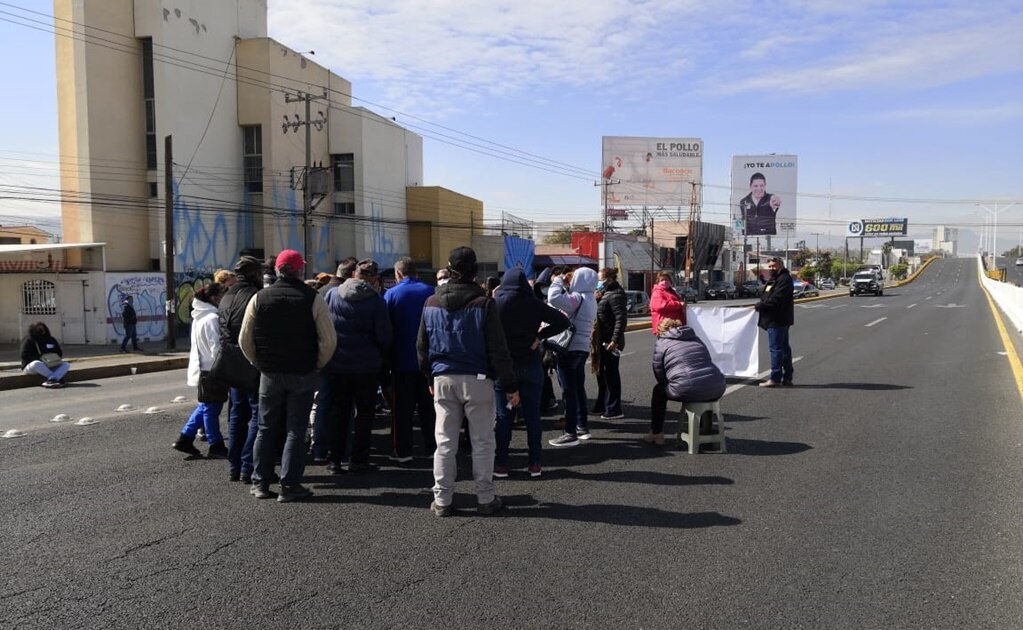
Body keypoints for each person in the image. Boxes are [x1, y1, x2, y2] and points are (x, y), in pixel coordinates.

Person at [417, 246, 518, 517]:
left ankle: (442, 501)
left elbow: (422, 347)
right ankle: (485, 498)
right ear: (475, 272)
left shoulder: (431, 303)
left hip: (443, 378)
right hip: (478, 379)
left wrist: (429, 376)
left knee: (445, 442)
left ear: (449, 271)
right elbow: (498, 349)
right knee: (483, 441)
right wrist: (510, 385)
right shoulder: (484, 303)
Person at [239, 249, 337, 502]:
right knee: (296, 429)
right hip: (302, 371)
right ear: (299, 270)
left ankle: (260, 483)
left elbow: (245, 339)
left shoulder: (260, 297)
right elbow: (328, 340)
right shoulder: (312, 298)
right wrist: (316, 364)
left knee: (265, 427)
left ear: (277, 270)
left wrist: (258, 363)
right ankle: (289, 485)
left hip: (269, 372)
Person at [493, 268, 570, 478]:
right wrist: (540, 335)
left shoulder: (497, 304)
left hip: (505, 368)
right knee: (532, 417)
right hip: (531, 366)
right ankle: (535, 463)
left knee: (504, 417)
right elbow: (564, 322)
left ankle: (501, 464)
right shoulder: (534, 304)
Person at [324, 259, 392, 474]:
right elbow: (385, 336)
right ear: (373, 278)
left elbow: (325, 326)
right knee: (364, 414)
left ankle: (334, 459)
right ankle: (358, 459)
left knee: (338, 413)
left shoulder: (332, 295)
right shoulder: (376, 301)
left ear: (354, 273)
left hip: (337, 364)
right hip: (367, 367)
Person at [385, 257, 437, 462]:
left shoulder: (391, 294)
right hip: (430, 361)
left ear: (398, 274)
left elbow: (385, 327)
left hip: (401, 360)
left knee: (402, 411)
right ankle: (433, 447)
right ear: (416, 272)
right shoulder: (431, 291)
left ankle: (403, 451)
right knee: (430, 408)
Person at [218, 255, 263, 483]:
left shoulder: (227, 296)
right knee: (257, 414)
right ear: (255, 274)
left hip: (229, 361)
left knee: (236, 415)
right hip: (250, 361)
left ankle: (234, 466)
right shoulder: (255, 296)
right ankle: (247, 465)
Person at [646, 318, 726, 445]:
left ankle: (656, 433)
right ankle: (706, 431)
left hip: (687, 387)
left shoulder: (662, 343)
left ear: (661, 331)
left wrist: (669, 383)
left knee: (658, 392)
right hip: (717, 384)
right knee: (704, 390)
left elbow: (659, 371)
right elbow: (707, 359)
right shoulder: (695, 338)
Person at [172, 283, 229, 458]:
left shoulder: (200, 317)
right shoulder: (212, 318)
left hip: (203, 368)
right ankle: (216, 444)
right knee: (212, 409)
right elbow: (216, 347)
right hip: (212, 369)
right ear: (214, 298)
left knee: (206, 406)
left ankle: (185, 438)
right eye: (222, 296)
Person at [311, 256, 358, 461]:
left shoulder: (319, 293)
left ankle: (319, 449)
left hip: (322, 358)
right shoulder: (352, 294)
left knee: (323, 403)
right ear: (351, 275)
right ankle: (343, 451)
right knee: (345, 407)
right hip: (347, 359)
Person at [546, 266, 598, 447]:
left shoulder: (577, 298)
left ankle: (570, 433)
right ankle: (582, 426)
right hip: (582, 348)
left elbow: (553, 298)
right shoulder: (591, 299)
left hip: (568, 348)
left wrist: (558, 280)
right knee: (578, 388)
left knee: (568, 391)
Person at [593, 267, 628, 420]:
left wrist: (614, 340)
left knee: (611, 374)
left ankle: (614, 408)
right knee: (601, 374)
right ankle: (602, 404)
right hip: (601, 339)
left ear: (610, 279)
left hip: (610, 341)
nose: (598, 282)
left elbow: (621, 319)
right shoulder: (605, 293)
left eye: (601, 280)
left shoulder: (616, 294)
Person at [754, 257, 794, 387]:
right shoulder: (774, 280)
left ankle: (775, 378)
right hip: (775, 319)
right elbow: (768, 294)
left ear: (780, 266)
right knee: (783, 348)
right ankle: (787, 377)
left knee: (776, 349)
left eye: (774, 266)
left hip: (778, 319)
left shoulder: (784, 279)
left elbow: (777, 298)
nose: (771, 269)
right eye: (770, 266)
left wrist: (761, 305)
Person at [20, 322, 71, 388]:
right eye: (38, 329)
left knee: (66, 365)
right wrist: (41, 359)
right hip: (33, 366)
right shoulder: (29, 340)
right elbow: (24, 355)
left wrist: (52, 358)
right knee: (36, 363)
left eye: (42, 328)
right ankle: (55, 379)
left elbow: (59, 353)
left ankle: (52, 379)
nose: (41, 330)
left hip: (50, 364)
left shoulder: (51, 339)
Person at [650, 271, 686, 335]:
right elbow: (661, 306)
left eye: (666, 279)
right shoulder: (657, 292)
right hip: (664, 327)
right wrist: (679, 304)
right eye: (662, 280)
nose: (665, 281)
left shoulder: (672, 292)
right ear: (658, 282)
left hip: (674, 326)